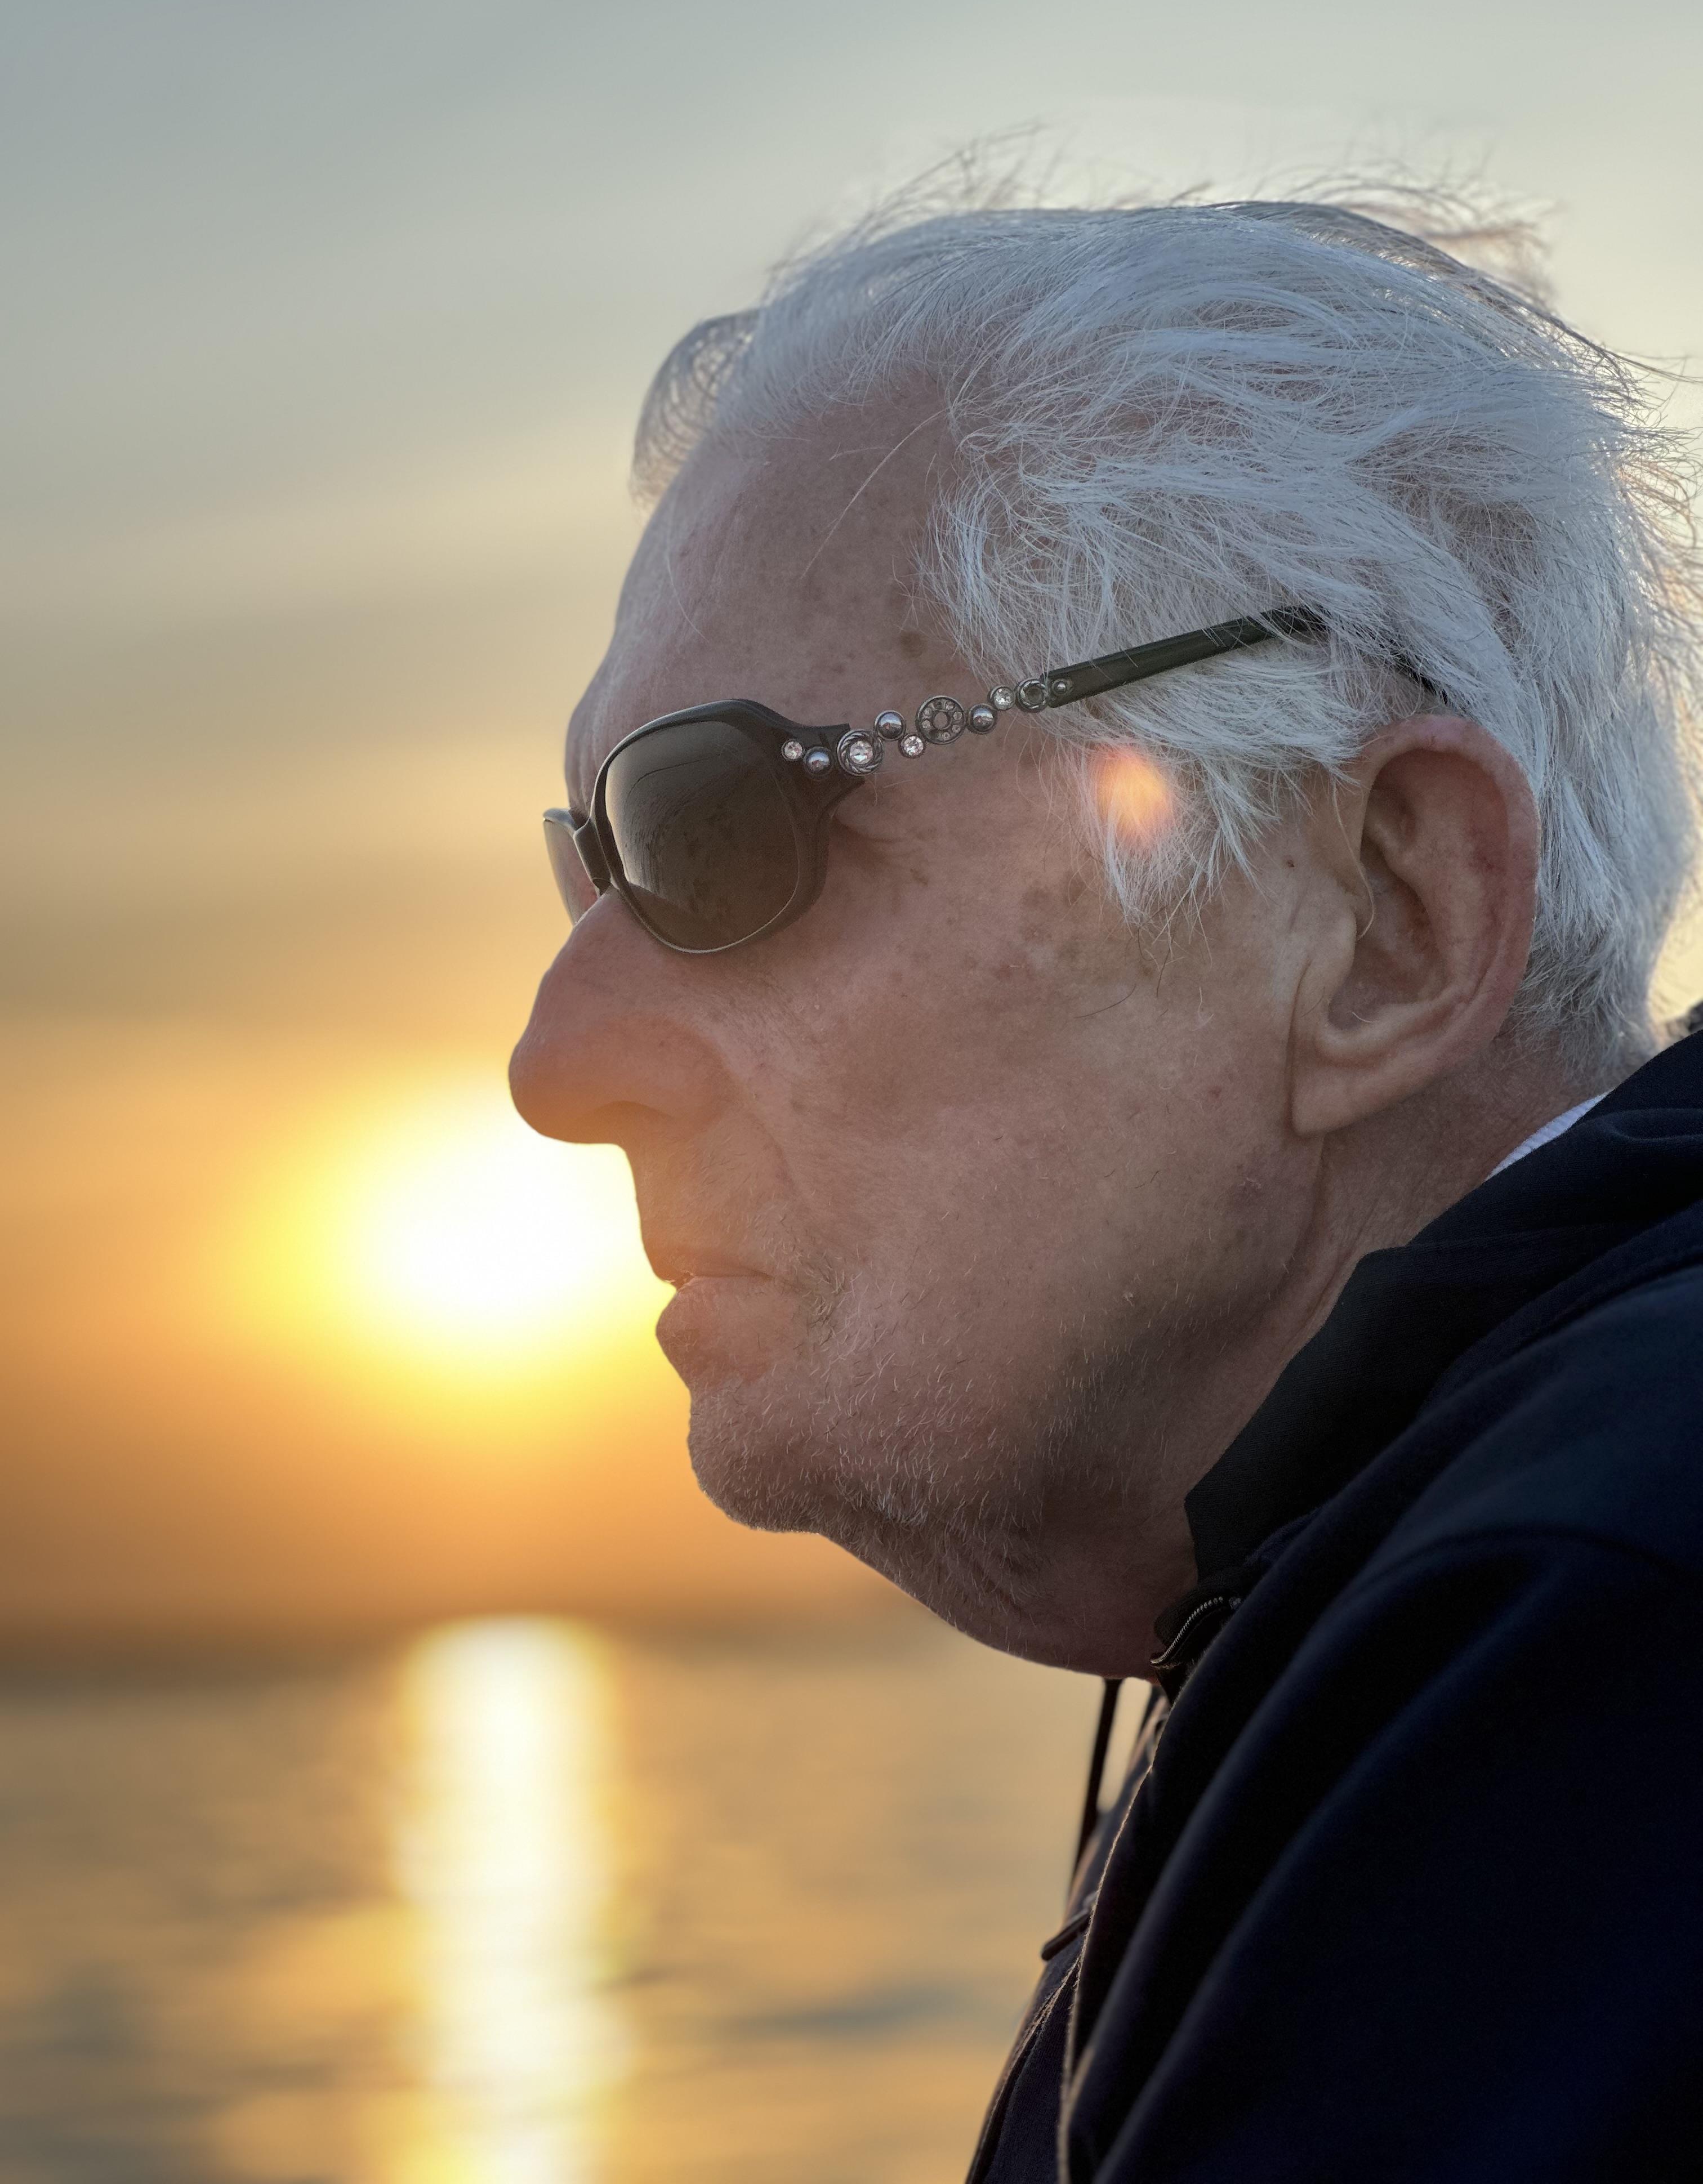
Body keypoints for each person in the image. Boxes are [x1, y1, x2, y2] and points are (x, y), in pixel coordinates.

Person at [510, 187, 1703, 2180]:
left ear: (1384, 917)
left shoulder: (1590, 1648)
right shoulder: (1471, 1571)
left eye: (714, 838)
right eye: (593, 865)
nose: (558, 1068)